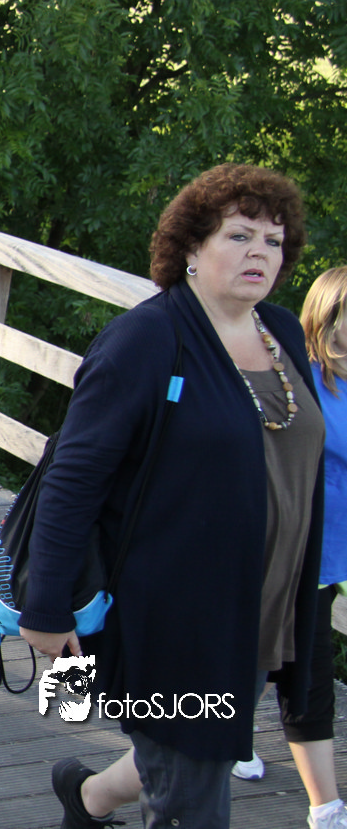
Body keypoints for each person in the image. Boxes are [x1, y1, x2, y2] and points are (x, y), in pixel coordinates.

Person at [21, 163, 324, 829]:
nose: (259, 253)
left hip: (259, 613)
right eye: (238, 235)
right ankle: (95, 797)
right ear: (190, 246)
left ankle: (87, 798)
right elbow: (73, 477)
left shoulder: (280, 332)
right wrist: (45, 605)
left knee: (191, 749)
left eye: (273, 241)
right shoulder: (148, 339)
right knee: (191, 782)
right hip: (173, 618)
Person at [223, 268, 347, 829]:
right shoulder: (299, 377)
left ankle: (230, 738)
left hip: (333, 554)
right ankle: (325, 807)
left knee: (275, 655)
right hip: (293, 549)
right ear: (327, 317)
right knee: (299, 666)